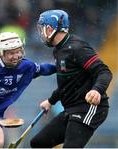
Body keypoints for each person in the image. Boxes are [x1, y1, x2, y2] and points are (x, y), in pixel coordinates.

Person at [30, 10, 113, 148]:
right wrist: (51, 101)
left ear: (50, 29)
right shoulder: (58, 49)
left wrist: (97, 90)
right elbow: (68, 82)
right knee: (38, 143)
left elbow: (104, 72)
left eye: (42, 28)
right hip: (71, 108)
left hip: (89, 108)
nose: (41, 33)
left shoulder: (77, 48)